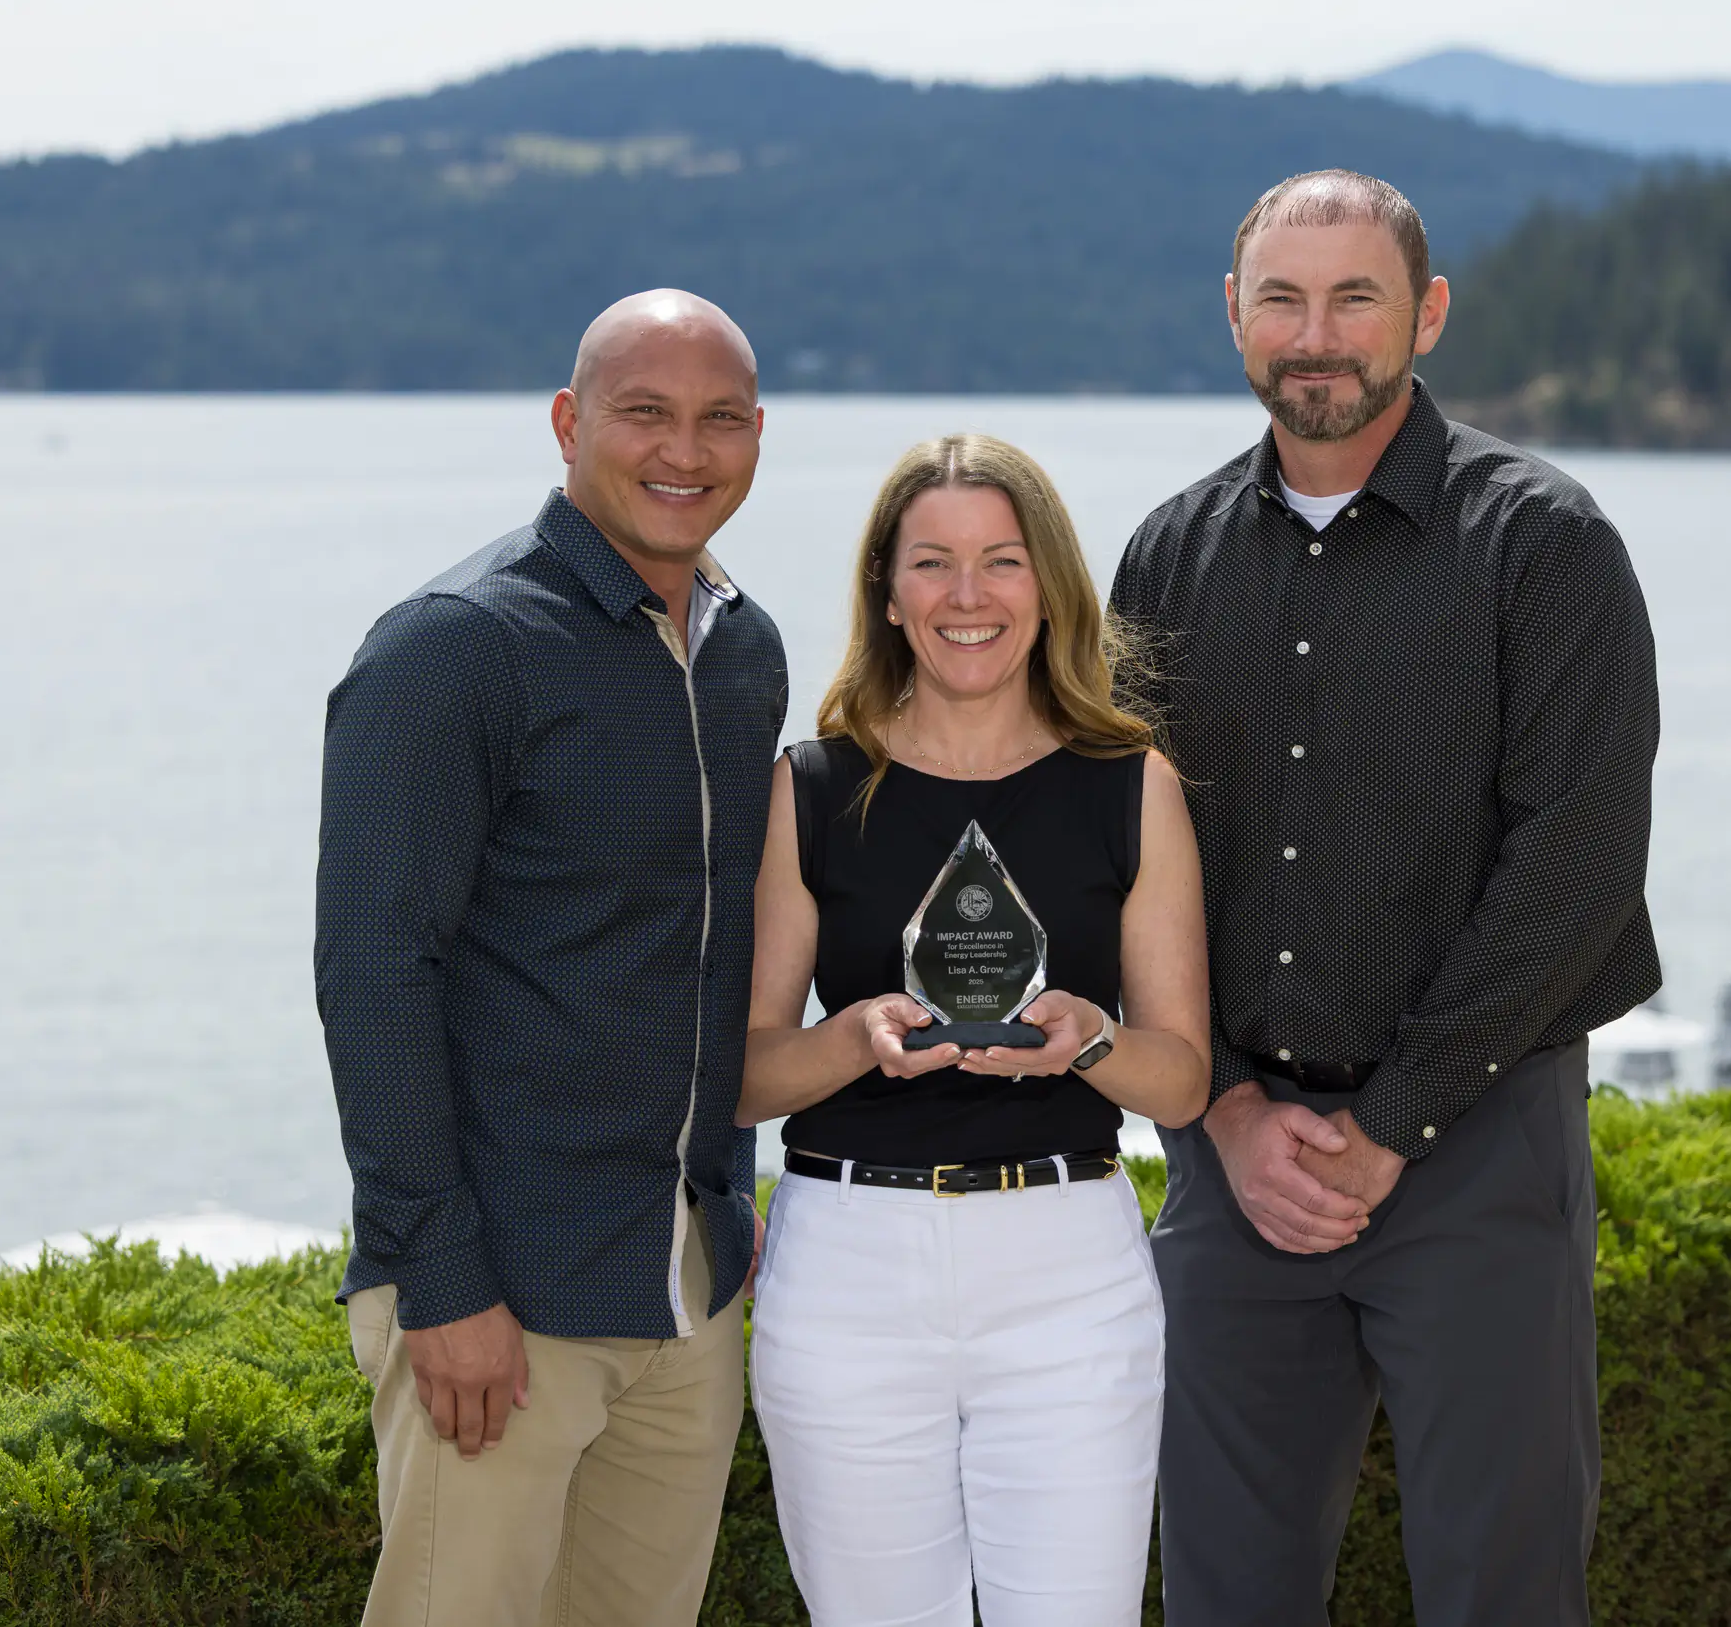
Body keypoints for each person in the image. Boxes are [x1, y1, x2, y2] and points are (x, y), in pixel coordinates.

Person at [1108, 170, 1661, 1627]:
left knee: (1501, 1592)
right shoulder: (1167, 555)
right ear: (1234, 316)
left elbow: (1578, 863)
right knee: (1223, 1593)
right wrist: (1226, 1112)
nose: (1316, 336)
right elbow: (1123, 858)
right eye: (1282, 300)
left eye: (1354, 298)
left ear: (1427, 314)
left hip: (1480, 1147)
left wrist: (1391, 1121)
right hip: (1237, 1162)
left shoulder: (1542, 543)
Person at [315, 289, 786, 1627]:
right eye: (645, 413)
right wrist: (440, 1278)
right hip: (504, 1296)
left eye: (719, 418)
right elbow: (374, 976)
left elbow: (714, 950)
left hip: (686, 1290)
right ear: (570, 422)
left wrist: (727, 1201)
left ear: (759, 435)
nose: (683, 451)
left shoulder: (742, 650)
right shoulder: (454, 647)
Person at [738, 433, 1211, 1627]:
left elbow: (1182, 1081)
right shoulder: (809, 787)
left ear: (1047, 585)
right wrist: (852, 1038)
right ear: (887, 592)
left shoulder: (1132, 784)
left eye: (1001, 560)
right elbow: (743, 1075)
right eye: (932, 563)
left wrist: (1091, 1038)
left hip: (1068, 1274)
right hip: (846, 1272)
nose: (967, 595)